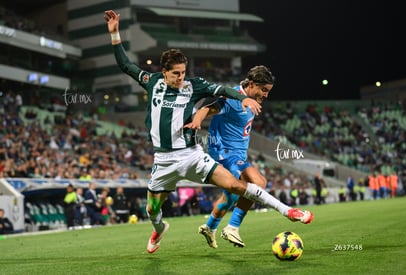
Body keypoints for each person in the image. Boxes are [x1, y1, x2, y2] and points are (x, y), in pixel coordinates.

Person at [104, 10, 313, 254]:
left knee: (236, 186)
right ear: (164, 72)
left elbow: (223, 90)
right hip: (163, 160)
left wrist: (242, 99)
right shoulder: (151, 81)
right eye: (176, 74)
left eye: (183, 72)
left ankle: (288, 211)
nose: (181, 78)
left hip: (192, 154)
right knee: (152, 209)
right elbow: (125, 65)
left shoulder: (194, 86)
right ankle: (159, 229)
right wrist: (115, 33)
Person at [190, 66, 312, 248]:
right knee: (258, 182)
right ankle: (233, 227)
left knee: (230, 198)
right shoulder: (232, 99)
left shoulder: (248, 95)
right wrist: (197, 120)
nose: (266, 95)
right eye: (264, 90)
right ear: (252, 84)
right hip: (224, 153)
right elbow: (209, 109)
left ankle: (209, 227)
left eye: (268, 91)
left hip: (238, 153)